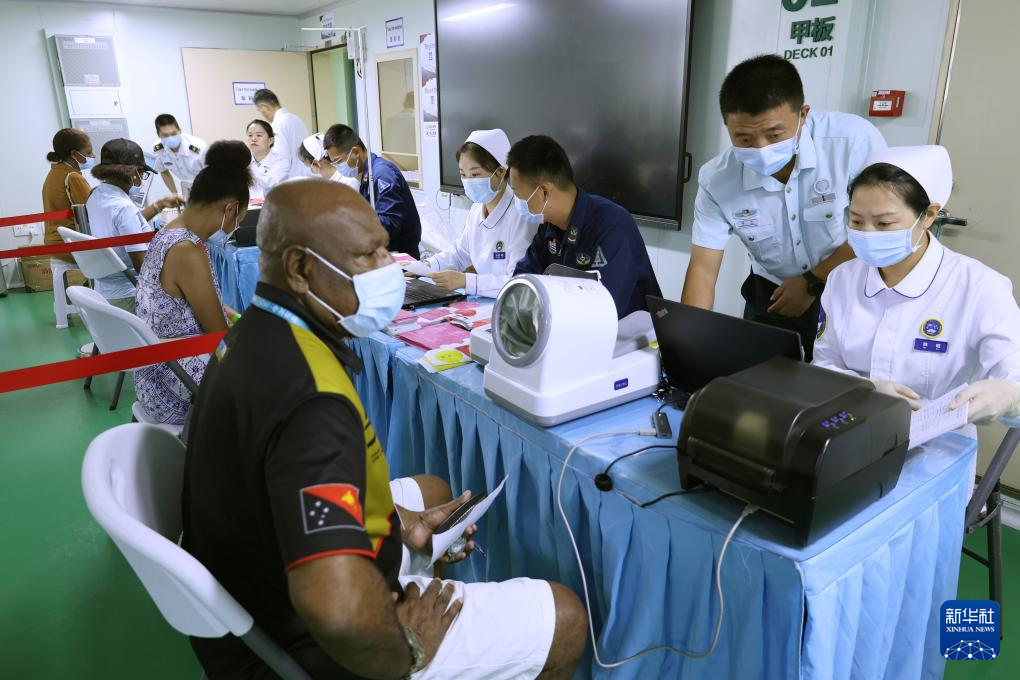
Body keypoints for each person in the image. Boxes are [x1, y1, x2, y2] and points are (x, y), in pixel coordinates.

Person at [182, 180, 586, 678]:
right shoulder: (311, 403)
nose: (387, 268)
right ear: (301, 269)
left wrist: (399, 525)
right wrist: (408, 646)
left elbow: (292, 489)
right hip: (297, 645)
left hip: (252, 586)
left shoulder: (256, 331)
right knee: (565, 616)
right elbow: (336, 609)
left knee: (431, 489)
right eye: (368, 255)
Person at [681, 54, 886, 361]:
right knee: (760, 380)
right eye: (744, 138)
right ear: (727, 126)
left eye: (774, 135)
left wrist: (812, 282)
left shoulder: (853, 142)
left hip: (851, 288)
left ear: (803, 115)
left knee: (844, 383)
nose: (761, 149)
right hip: (774, 296)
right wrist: (689, 343)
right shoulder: (717, 180)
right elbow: (703, 269)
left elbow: (879, 230)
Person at [814, 145, 1020, 432]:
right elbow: (823, 365)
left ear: (928, 215)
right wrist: (865, 389)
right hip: (849, 429)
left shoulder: (980, 288)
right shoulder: (842, 279)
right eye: (857, 220)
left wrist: (1010, 394)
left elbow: (1013, 374)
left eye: (884, 223)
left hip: (939, 443)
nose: (866, 234)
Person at [134, 141, 252, 425]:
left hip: (156, 373)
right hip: (176, 384)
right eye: (239, 219)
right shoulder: (187, 250)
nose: (234, 228)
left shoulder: (168, 233)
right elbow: (219, 335)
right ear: (230, 208)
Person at [509, 134, 661, 318]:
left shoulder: (613, 225)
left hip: (628, 330)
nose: (516, 201)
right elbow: (522, 281)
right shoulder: (549, 226)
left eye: (518, 194)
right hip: (570, 324)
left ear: (544, 192)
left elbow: (604, 308)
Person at [403, 129, 536, 297]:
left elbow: (517, 282)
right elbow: (460, 253)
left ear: (501, 172)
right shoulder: (477, 209)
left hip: (512, 302)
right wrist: (426, 266)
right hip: (484, 300)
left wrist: (466, 281)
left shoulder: (521, 214)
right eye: (463, 174)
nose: (468, 181)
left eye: (475, 174)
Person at [86, 139, 182, 311]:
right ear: (133, 172)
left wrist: (160, 205)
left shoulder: (96, 195)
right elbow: (141, 265)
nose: (142, 178)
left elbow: (126, 225)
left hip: (105, 291)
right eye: (142, 173)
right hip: (129, 296)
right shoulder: (124, 207)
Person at [323, 124, 423, 259]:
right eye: (334, 163)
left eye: (339, 161)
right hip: (384, 251)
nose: (338, 167)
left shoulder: (382, 174)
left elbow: (389, 224)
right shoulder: (367, 175)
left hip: (400, 255)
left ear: (356, 152)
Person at [42, 128, 94, 264]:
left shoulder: (53, 174)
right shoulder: (73, 177)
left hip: (54, 243)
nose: (93, 156)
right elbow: (93, 212)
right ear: (74, 154)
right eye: (89, 152)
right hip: (70, 244)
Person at [254, 88, 310, 180]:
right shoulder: (297, 120)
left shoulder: (277, 126)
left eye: (260, 110)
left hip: (290, 182)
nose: (262, 114)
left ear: (265, 107)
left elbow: (282, 162)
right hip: (306, 179)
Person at [151, 113, 207, 196]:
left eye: (173, 133)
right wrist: (175, 195)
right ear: (158, 135)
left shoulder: (199, 147)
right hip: (186, 188)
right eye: (165, 135)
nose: (170, 138)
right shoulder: (158, 149)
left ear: (179, 130)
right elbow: (163, 171)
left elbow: (213, 173)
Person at [296, 132, 360, 190]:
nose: (306, 167)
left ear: (316, 163)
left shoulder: (349, 183)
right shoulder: (319, 186)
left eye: (307, 164)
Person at [247, 119, 291, 200]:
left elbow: (271, 182)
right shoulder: (244, 161)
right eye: (250, 135)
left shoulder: (281, 161)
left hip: (274, 205)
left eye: (259, 135)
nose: (253, 139)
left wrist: (244, 176)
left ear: (270, 140)